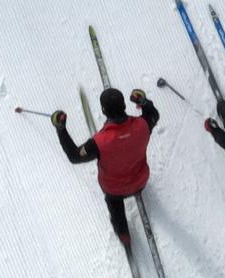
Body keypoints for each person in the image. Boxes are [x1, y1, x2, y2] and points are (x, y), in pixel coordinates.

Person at [53, 87, 158, 243]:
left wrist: (61, 129)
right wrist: (144, 102)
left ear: (103, 111)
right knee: (130, 188)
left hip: (114, 190)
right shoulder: (143, 125)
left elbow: (75, 156)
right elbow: (153, 115)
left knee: (114, 206)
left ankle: (123, 233)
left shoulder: (99, 142)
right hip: (141, 180)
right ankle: (135, 194)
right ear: (124, 105)